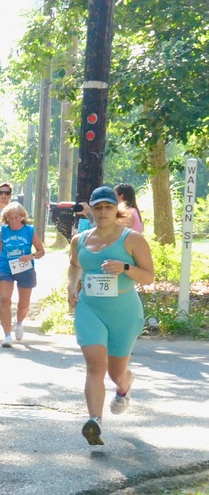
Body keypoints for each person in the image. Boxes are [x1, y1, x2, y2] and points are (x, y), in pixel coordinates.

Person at [69, 185, 153, 445]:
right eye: (98, 208)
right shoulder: (80, 240)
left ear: (117, 209)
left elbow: (149, 277)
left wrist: (125, 267)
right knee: (95, 365)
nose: (103, 212)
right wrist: (71, 286)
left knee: (116, 373)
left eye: (108, 207)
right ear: (91, 211)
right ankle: (95, 420)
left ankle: (124, 386)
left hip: (123, 312)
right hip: (90, 309)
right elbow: (74, 266)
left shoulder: (132, 239)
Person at [0, 199, 45, 347]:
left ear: (22, 217)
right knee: (5, 300)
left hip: (24, 268)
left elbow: (41, 251)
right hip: (6, 268)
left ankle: (19, 322)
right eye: (10, 218)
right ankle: (7, 335)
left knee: (23, 304)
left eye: (16, 217)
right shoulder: (4, 231)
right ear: (6, 219)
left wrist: (31, 256)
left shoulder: (29, 230)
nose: (13, 221)